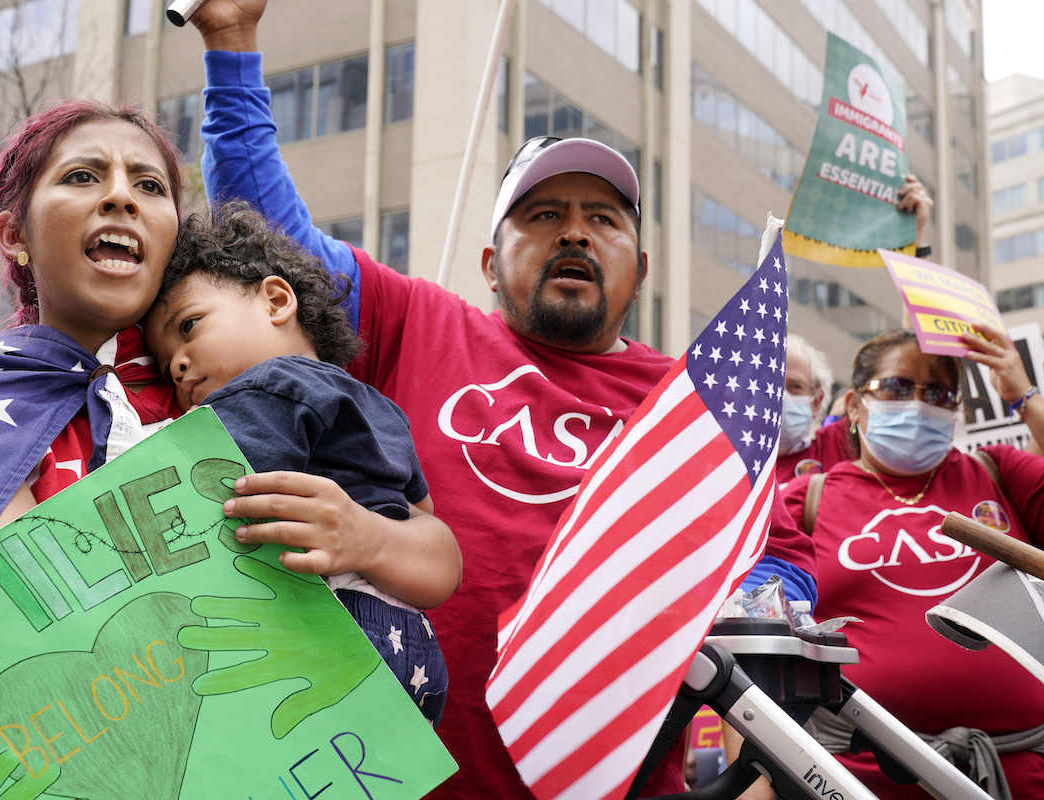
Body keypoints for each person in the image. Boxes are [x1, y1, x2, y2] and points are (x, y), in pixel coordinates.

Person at [186, 2, 817, 795]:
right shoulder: (415, 322)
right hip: (389, 769)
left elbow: (781, 559)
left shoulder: (693, 402)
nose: (575, 234)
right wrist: (232, 42)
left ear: (642, 266)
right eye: (544, 215)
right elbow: (271, 234)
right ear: (490, 262)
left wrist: (750, 752)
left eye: (603, 219)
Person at [0, 99, 454, 619]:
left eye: (150, 186)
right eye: (83, 176)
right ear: (15, 235)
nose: (120, 195)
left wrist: (368, 539)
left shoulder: (230, 389)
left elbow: (426, 534)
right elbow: (29, 606)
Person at [143, 202, 460, 724]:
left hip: (336, 623)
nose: (176, 364)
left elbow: (208, 488)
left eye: (189, 326)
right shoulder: (381, 408)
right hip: (412, 643)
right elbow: (422, 516)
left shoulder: (268, 388)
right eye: (162, 365)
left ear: (275, 300)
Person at [783, 325, 1044, 799]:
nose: (919, 403)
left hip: (1020, 773)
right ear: (855, 406)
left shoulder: (1001, 471)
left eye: (940, 393)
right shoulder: (805, 501)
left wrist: (1023, 395)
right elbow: (752, 634)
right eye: (898, 387)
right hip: (859, 776)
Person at [775, 334, 853, 486]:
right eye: (770, 386)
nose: (781, 396)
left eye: (795, 387)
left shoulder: (835, 446)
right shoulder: (727, 462)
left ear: (816, 402)